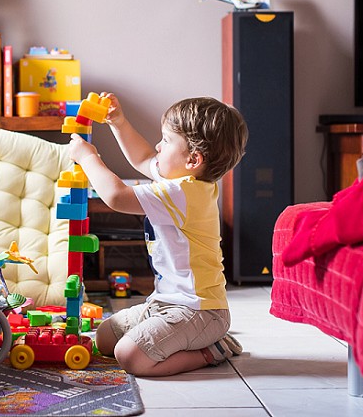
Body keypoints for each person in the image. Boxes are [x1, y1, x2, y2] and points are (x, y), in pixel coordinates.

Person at [67, 94, 248, 377]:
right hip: (165, 304)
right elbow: (142, 158)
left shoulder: (182, 193)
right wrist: (119, 122)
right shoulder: (184, 181)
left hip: (199, 312)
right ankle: (192, 341)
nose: (157, 146)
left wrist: (88, 157)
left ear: (193, 159)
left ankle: (210, 351)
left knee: (130, 356)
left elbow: (116, 196)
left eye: (166, 140)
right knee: (105, 337)